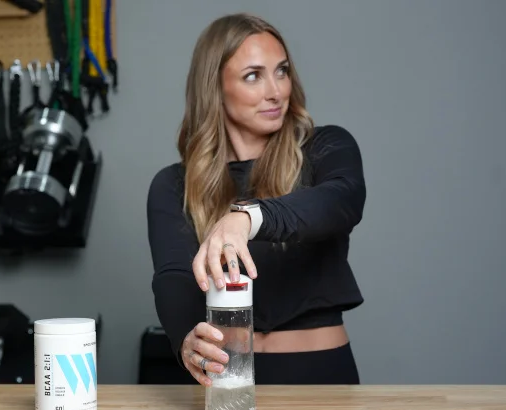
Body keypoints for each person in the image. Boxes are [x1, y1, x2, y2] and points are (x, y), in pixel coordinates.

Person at [146, 12, 367, 385]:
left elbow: (340, 201)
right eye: (253, 76)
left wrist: (249, 218)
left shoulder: (324, 147)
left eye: (281, 71)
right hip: (226, 380)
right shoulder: (174, 184)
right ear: (214, 87)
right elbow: (174, 277)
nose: (276, 91)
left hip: (320, 373)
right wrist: (186, 338)